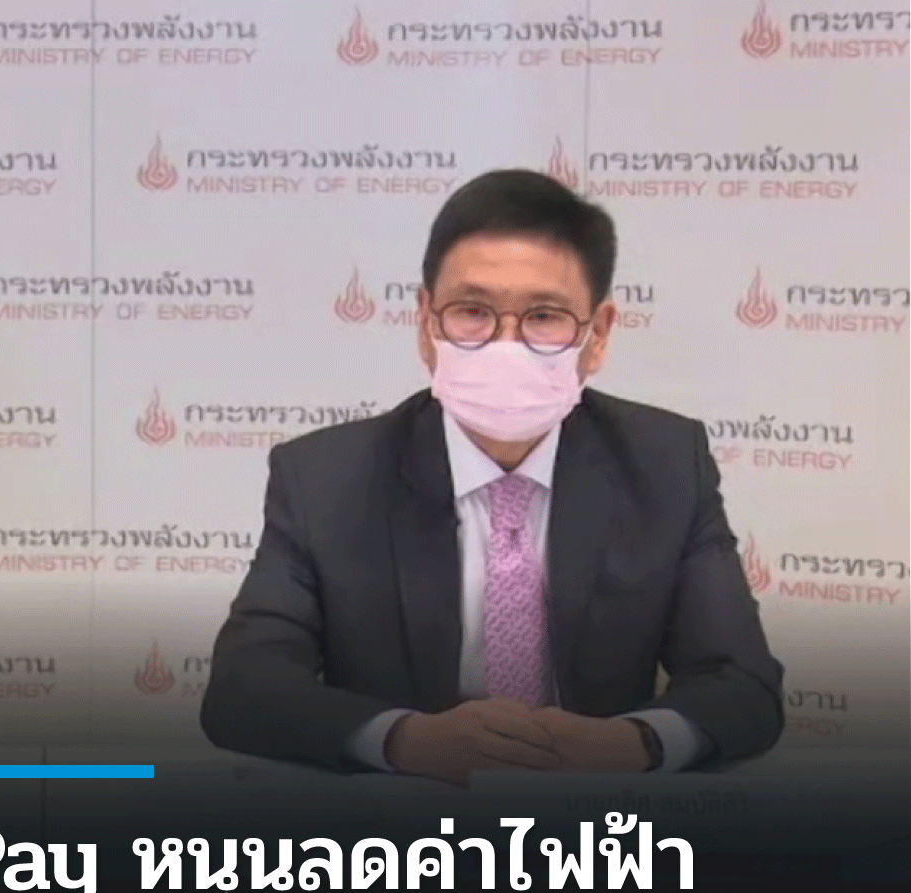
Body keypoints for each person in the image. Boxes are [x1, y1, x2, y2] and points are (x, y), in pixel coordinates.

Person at [200, 169, 783, 784]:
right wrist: (403, 740)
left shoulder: (665, 464)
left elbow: (741, 685)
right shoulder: (325, 479)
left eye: (545, 316)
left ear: (598, 335)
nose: (506, 345)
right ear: (426, 322)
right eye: (472, 312)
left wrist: (629, 745)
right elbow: (245, 688)